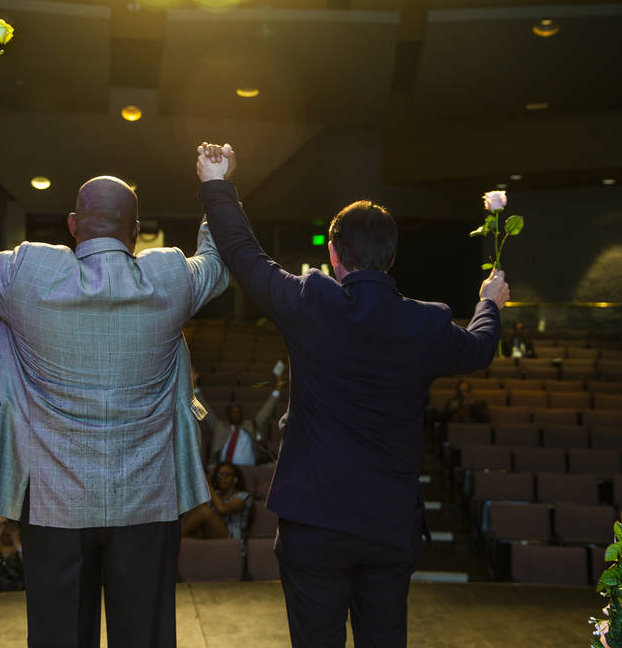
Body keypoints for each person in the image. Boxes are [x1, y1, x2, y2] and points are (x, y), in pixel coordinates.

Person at [194, 143, 508, 648]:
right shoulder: (424, 322)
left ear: (334, 255)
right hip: (388, 526)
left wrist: (217, 182)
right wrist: (488, 303)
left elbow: (242, 253)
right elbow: (479, 348)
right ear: (390, 257)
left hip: (315, 524)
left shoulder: (311, 301)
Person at [0, 152, 229, 648]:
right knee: (146, 638)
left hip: (54, 505)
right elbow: (218, 260)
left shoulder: (28, 273)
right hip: (147, 502)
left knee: (60, 637)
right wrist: (214, 186)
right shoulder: (171, 277)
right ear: (135, 231)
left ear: (72, 225)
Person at [199, 373, 284, 465]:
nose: (237, 414)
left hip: (249, 470)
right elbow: (204, 411)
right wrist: (194, 387)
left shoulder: (252, 425)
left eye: (239, 412)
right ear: (228, 415)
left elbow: (267, 410)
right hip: (224, 469)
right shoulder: (219, 426)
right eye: (233, 412)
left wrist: (278, 388)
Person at [181, 461, 251, 540]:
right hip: (210, 531)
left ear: (235, 479)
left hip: (232, 535)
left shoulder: (244, 496)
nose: (222, 477)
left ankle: (174, 537)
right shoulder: (216, 493)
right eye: (219, 474)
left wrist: (207, 484)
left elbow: (223, 509)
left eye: (226, 475)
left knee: (204, 511)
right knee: (183, 538)